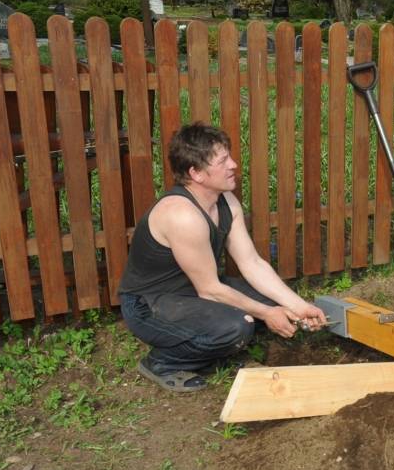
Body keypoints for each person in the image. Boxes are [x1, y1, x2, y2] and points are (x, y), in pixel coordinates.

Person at [118, 123, 328, 392]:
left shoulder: (225, 200)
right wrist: (267, 313)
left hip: (191, 291)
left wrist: (298, 306)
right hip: (150, 304)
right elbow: (210, 290)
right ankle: (162, 362)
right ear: (196, 173)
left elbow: (251, 262)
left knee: (271, 303)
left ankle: (216, 348)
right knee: (237, 327)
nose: (234, 164)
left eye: (229, 156)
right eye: (223, 160)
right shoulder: (182, 215)